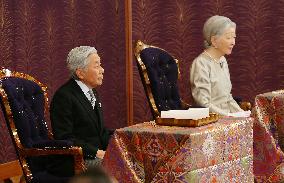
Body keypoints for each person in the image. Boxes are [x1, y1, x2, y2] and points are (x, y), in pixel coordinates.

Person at [49, 46, 112, 176]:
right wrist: (97, 153)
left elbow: (101, 133)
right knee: (122, 167)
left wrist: (124, 138)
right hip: (76, 161)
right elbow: (65, 138)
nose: (102, 70)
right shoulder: (64, 96)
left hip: (96, 156)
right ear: (80, 73)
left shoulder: (92, 92)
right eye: (96, 66)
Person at [190, 15, 244, 116]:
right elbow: (203, 104)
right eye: (228, 38)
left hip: (227, 119)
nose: (233, 42)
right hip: (211, 121)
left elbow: (227, 98)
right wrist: (228, 116)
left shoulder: (222, 60)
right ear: (214, 40)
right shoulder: (201, 64)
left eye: (234, 37)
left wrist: (242, 115)